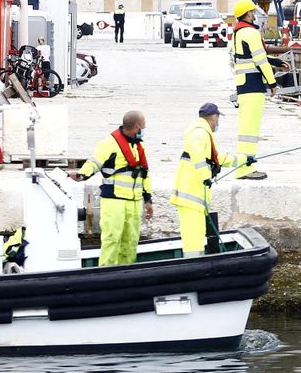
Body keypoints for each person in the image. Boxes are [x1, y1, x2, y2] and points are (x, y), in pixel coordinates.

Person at [70, 110, 152, 266]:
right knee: (112, 239)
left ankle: (126, 276)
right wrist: (81, 175)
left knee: (131, 241)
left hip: (134, 202)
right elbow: (94, 162)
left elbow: (145, 174)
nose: (144, 128)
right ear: (136, 127)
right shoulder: (109, 143)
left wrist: (148, 199)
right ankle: (106, 275)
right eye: (143, 125)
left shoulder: (139, 146)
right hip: (114, 201)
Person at [229, 0, 276, 180]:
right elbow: (260, 60)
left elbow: (247, 57)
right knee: (250, 131)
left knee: (245, 130)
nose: (255, 16)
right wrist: (272, 83)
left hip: (243, 85)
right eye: (253, 13)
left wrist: (276, 62)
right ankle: (245, 169)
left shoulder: (237, 33)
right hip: (253, 85)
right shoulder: (251, 32)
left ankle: (245, 167)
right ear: (248, 14)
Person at [172, 103, 223, 258]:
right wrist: (206, 177)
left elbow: (215, 158)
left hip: (195, 198)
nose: (218, 122)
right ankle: (193, 269)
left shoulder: (203, 134)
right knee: (193, 240)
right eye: (218, 118)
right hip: (191, 197)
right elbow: (197, 155)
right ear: (213, 117)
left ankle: (197, 265)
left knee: (197, 237)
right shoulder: (200, 134)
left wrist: (243, 159)